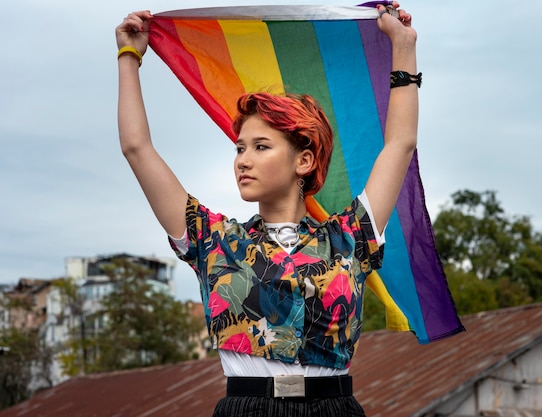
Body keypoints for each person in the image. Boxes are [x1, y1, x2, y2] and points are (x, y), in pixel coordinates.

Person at [115, 2, 419, 416]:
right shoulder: (212, 239)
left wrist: (403, 46)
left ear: (304, 161)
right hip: (247, 408)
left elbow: (399, 143)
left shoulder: (350, 237)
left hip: (333, 409)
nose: (242, 159)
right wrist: (129, 57)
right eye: (240, 148)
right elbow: (137, 148)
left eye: (260, 147)